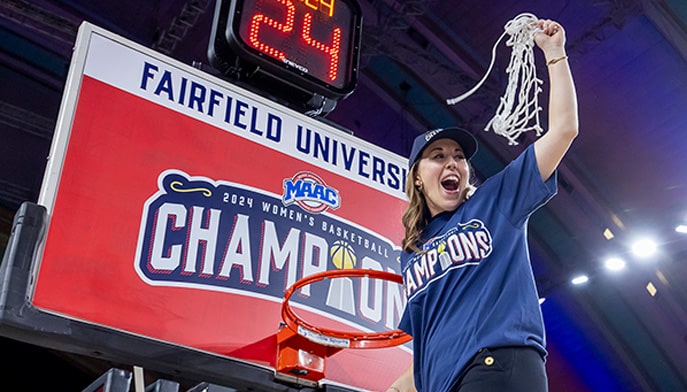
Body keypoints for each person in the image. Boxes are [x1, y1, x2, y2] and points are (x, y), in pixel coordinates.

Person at [387, 18, 578, 392]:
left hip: (500, 364)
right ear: (417, 177)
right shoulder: (411, 254)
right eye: (437, 156)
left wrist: (555, 55)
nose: (452, 162)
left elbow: (564, 130)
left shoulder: (496, 202)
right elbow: (435, 342)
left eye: (458, 156)